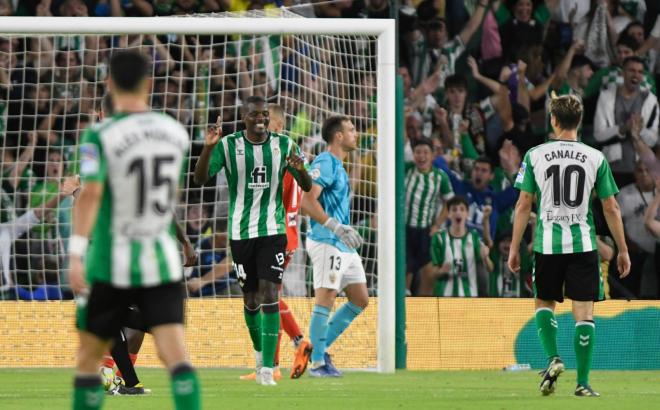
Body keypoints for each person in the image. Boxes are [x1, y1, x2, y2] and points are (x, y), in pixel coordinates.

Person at [68, 50, 201, 409]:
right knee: (177, 357)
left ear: (109, 83)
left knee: (87, 358)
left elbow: (92, 193)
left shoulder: (100, 134)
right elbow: (166, 195)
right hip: (160, 261)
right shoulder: (174, 133)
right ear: (149, 83)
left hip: (111, 260)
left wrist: (76, 253)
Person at [508, 94, 631, 397]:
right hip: (583, 245)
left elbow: (524, 204)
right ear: (580, 121)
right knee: (584, 313)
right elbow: (611, 207)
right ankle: (583, 383)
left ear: (553, 120)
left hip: (547, 244)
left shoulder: (534, 155)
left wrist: (514, 247)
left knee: (544, 304)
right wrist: (623, 248)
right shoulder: (595, 157)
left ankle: (552, 358)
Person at [193, 95, 312, 386]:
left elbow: (306, 186)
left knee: (271, 294)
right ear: (244, 117)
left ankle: (269, 370)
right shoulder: (228, 145)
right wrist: (208, 148)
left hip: (273, 231)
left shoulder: (284, 145)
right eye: (254, 114)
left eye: (264, 115)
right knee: (251, 300)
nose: (260, 119)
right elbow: (200, 178)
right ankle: (260, 357)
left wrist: (299, 169)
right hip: (241, 233)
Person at [238, 103, 312, 382]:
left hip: (276, 234)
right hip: (290, 232)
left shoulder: (277, 156)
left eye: (265, 123)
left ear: (277, 127)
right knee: (270, 295)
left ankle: (286, 352)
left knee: (267, 297)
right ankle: (287, 351)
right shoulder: (293, 157)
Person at [300, 115, 368, 378]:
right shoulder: (325, 162)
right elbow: (307, 202)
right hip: (327, 240)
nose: (355, 134)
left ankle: (317, 347)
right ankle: (317, 363)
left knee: (360, 299)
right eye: (351, 130)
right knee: (326, 297)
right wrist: (335, 226)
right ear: (338, 136)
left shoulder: (339, 165)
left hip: (343, 244)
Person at [594, 56, 659, 187]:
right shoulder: (605, 97)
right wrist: (624, 128)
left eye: (640, 72)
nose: (636, 75)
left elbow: (653, 140)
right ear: (622, 73)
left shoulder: (650, 100)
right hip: (612, 169)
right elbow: (598, 135)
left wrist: (639, 130)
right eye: (632, 70)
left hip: (641, 171)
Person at [404, 138, 454, 295]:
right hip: (404, 228)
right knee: (406, 266)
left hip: (425, 230)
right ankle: (405, 297)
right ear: (413, 155)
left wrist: (437, 225)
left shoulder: (440, 177)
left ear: (433, 155)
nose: (421, 156)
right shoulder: (406, 169)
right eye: (418, 152)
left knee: (427, 269)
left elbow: (449, 203)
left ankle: (425, 305)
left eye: (425, 152)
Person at [420, 195, 493, 297]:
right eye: (454, 210)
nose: (458, 212)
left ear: (467, 214)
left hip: (469, 298)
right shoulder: (439, 238)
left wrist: (486, 258)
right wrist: (441, 271)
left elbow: (490, 268)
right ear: (449, 214)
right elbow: (429, 274)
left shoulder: (474, 237)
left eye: (462, 209)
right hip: (444, 298)